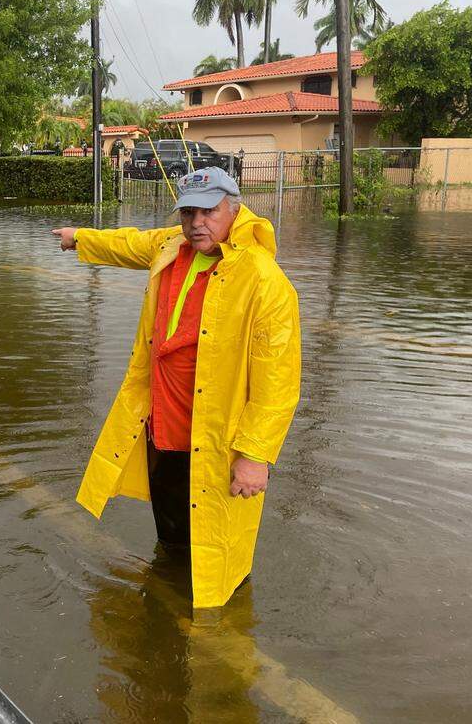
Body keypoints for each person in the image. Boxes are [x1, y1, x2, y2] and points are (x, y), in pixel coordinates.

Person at [52, 166, 301, 609]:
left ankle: (216, 634)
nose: (196, 223)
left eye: (208, 211)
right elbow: (130, 243)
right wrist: (80, 238)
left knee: (220, 556)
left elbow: (277, 381)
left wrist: (256, 456)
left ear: (234, 209)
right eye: (188, 212)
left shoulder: (264, 281)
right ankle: (165, 610)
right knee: (171, 540)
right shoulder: (172, 247)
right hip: (163, 426)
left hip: (218, 441)